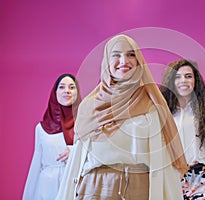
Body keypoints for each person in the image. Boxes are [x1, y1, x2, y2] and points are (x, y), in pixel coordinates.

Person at [55, 34, 188, 200]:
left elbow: (162, 161)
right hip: (93, 188)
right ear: (107, 62)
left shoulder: (151, 105)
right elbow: (77, 162)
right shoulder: (90, 106)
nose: (124, 61)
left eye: (131, 54)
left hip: (139, 189)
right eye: (116, 55)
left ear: (139, 61)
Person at [160, 59, 205, 200]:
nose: (183, 80)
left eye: (188, 76)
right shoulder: (164, 112)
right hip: (172, 176)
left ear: (195, 81)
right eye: (178, 76)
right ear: (171, 82)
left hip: (200, 176)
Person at [23, 74, 82, 200]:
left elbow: (97, 154)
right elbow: (37, 162)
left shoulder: (86, 123)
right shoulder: (41, 128)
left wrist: (76, 152)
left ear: (77, 92)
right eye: (62, 87)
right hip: (47, 188)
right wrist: (29, 195)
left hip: (77, 184)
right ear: (55, 93)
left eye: (72, 87)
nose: (67, 91)